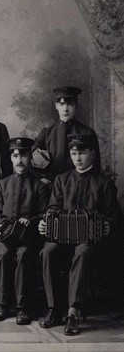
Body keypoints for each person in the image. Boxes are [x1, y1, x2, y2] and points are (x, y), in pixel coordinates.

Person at [38, 134, 121, 335]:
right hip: (63, 238)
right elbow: (52, 209)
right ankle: (53, 308)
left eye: (82, 153)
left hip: (90, 240)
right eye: (74, 153)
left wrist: (107, 225)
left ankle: (73, 311)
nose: (78, 158)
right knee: (48, 251)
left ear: (92, 154)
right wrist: (45, 223)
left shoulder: (103, 182)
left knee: (82, 252)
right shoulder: (61, 179)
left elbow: (114, 214)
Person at [0, 137, 49, 325]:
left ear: (29, 158)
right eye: (15, 156)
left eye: (23, 155)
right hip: (5, 236)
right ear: (11, 158)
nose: (19, 160)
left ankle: (22, 307)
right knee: (3, 253)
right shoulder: (2, 184)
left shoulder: (39, 185)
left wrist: (31, 221)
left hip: (28, 237)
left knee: (24, 254)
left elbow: (44, 214)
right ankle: (2, 304)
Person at [33, 86, 101, 181]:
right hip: (52, 187)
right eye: (62, 104)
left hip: (79, 186)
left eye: (70, 104)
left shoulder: (87, 132)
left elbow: (96, 165)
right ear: (56, 106)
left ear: (76, 105)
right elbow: (31, 157)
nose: (65, 109)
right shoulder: (46, 133)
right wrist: (41, 178)